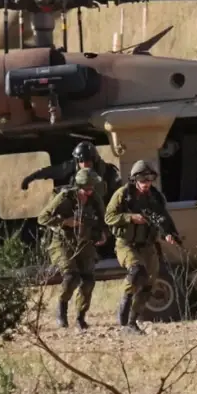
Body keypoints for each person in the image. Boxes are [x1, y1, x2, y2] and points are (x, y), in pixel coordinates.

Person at [104, 160, 179, 334]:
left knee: (149, 283)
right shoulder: (123, 195)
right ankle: (125, 303)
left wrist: (168, 233)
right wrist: (130, 218)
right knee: (137, 271)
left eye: (149, 180)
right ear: (135, 179)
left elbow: (164, 219)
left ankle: (132, 321)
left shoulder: (155, 197)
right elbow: (109, 217)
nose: (146, 184)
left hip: (147, 245)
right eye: (143, 180)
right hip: (126, 243)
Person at [37, 167, 108, 331]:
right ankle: (62, 310)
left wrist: (103, 234)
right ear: (80, 186)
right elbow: (42, 218)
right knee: (71, 277)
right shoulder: (65, 197)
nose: (90, 191)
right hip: (62, 242)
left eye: (92, 188)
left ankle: (80, 317)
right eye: (87, 188)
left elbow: (103, 221)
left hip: (85, 241)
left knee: (88, 281)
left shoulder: (95, 199)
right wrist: (65, 222)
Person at [21, 141, 122, 204]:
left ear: (94, 160)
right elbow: (53, 171)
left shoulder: (108, 171)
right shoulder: (73, 166)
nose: (84, 164)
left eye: (87, 161)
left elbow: (118, 193)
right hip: (78, 207)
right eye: (81, 161)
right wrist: (31, 178)